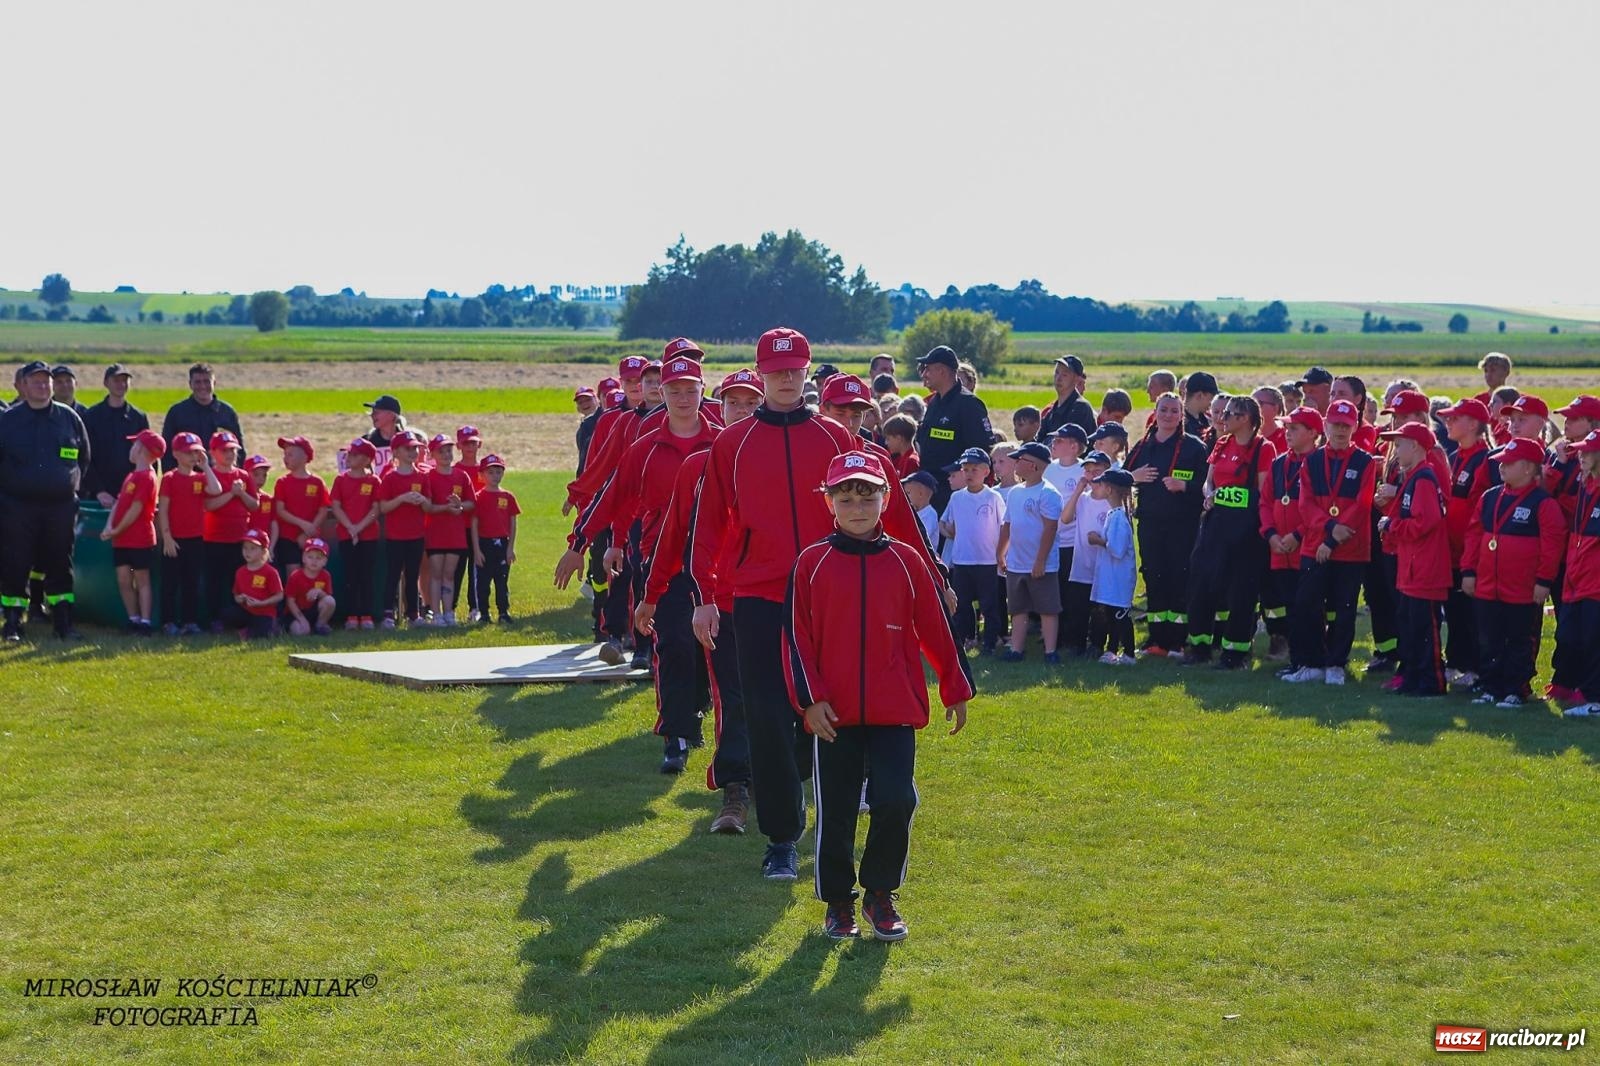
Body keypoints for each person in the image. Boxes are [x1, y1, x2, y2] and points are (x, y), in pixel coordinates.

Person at [688, 327, 946, 882]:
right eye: (775, 370)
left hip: (828, 589)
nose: (785, 378)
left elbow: (887, 507)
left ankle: (852, 789)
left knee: (832, 705)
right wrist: (705, 596)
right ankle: (782, 836)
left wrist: (927, 568)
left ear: (807, 371)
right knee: (766, 715)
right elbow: (709, 525)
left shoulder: (836, 438)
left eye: (794, 368)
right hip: (755, 595)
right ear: (760, 375)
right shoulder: (730, 446)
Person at [783, 451, 972, 942]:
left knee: (895, 799)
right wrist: (811, 701)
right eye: (845, 497)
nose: (857, 506)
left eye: (867, 496)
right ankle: (839, 903)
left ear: (886, 500)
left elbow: (934, 628)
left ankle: (880, 895)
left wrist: (954, 686)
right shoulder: (811, 563)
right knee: (838, 810)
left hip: (894, 709)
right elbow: (796, 638)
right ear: (829, 503)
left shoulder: (907, 561)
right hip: (834, 714)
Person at [561, 355, 719, 767]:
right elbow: (612, 495)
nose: (683, 398)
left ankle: (697, 710)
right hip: (659, 560)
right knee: (674, 644)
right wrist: (578, 544)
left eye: (691, 390)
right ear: (661, 393)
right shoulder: (645, 447)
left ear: (704, 392)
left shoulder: (724, 444)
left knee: (709, 646)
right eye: (674, 391)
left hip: (714, 561)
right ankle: (676, 737)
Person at [633, 370, 763, 835]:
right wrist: (651, 595)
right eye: (735, 403)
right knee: (731, 695)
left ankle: (785, 783)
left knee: (783, 695)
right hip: (721, 602)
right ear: (720, 408)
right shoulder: (698, 467)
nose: (743, 412)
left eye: (752, 403)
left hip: (777, 600)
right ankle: (735, 789)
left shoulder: (777, 463)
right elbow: (674, 539)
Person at [1461, 437, 1566, 708]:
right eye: (1502, 462)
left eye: (1509, 463)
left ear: (1530, 469)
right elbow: (1474, 536)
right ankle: (1491, 685)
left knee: (1519, 640)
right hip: (1487, 585)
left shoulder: (1543, 503)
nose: (1502, 467)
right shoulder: (1490, 497)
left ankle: (1516, 688)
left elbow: (1552, 547)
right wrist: (1469, 571)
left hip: (1521, 588)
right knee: (1489, 640)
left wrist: (1544, 581)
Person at [1282, 400, 1377, 686]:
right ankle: (1311, 663)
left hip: (1350, 549)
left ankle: (1336, 663)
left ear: (1355, 427)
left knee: (1344, 608)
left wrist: (1333, 538)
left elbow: (1362, 504)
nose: (1340, 430)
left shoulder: (1365, 461)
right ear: (1325, 426)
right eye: (1335, 424)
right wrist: (1330, 528)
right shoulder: (1311, 461)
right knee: (1307, 604)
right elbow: (1306, 504)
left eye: (1346, 425)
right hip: (1316, 546)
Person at [1180, 395, 1274, 669]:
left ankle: (1236, 653)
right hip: (1215, 524)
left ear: (1245, 419)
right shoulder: (1221, 443)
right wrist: (1209, 495)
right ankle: (1199, 648)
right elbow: (1209, 482)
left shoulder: (1262, 449)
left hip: (1246, 530)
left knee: (1241, 591)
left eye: (1230, 414)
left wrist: (1226, 494)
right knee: (1201, 584)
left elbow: (1262, 493)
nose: (1223, 418)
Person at [0, 361, 91, 641]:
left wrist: (65, 487)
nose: (42, 385)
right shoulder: (8, 420)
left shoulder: (69, 418)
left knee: (60, 563)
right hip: (18, 506)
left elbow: (83, 459)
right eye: (36, 381)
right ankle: (13, 623)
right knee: (16, 563)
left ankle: (63, 622)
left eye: (46, 381)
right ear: (23, 386)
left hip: (60, 507)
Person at [1125, 393, 1208, 656]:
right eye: (1164, 410)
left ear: (1181, 415)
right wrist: (1132, 476)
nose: (1168, 415)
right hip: (1150, 525)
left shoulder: (1194, 447)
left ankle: (1179, 640)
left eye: (1174, 411)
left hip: (1182, 526)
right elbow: (1118, 480)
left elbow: (1209, 488)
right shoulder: (1143, 446)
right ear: (1156, 411)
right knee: (1153, 577)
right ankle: (1157, 639)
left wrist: (1185, 485)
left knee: (1179, 577)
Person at [1377, 422, 1451, 696]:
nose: (1395, 452)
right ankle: (1413, 679)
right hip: (1412, 568)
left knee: (1424, 629)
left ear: (1416, 446)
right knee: (1409, 625)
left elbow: (1425, 523)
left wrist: (1390, 526)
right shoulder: (1414, 477)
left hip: (1424, 568)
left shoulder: (1423, 478)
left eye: (1400, 445)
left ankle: (1432, 682)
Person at [1437, 398, 1493, 688]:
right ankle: (1457, 661)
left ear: (1473, 424)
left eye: (1454, 418)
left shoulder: (1485, 460)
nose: (1448, 422)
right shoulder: (1456, 455)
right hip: (1453, 551)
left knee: (1473, 614)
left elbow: (1480, 514)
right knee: (1455, 611)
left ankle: (1475, 668)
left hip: (1472, 552)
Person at [1260, 407, 1322, 665]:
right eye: (1286, 428)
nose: (1287, 433)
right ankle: (1297, 662)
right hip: (1279, 550)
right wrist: (1271, 534)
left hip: (1306, 549)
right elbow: (1265, 503)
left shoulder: (1321, 463)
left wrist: (1297, 535)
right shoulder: (1279, 463)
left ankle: (1312, 660)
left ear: (1312, 433)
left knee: (1308, 608)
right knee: (1290, 608)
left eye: (1294, 428)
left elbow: (1320, 507)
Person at [997, 441, 1063, 663]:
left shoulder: (1048, 493)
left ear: (1033, 465)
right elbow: (1008, 524)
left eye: (1020, 459)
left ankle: (1050, 651)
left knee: (1047, 608)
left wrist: (1040, 561)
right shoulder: (1015, 492)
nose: (1015, 463)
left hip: (1040, 564)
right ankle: (1016, 649)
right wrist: (1001, 552)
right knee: (1018, 609)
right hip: (1016, 563)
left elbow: (1050, 527)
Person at [99, 428, 165, 634]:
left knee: (141, 579)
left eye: (134, 445)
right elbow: (119, 503)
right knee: (124, 578)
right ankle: (133, 618)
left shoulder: (147, 477)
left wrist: (117, 528)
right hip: (121, 539)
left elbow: (136, 509)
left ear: (142, 450)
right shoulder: (132, 475)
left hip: (139, 538)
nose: (131, 448)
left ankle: (145, 621)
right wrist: (110, 526)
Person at [940, 448, 1005, 655]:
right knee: (963, 604)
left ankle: (990, 642)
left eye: (974, 469)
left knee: (989, 604)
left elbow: (1004, 526)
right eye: (965, 469)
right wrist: (950, 532)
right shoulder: (957, 498)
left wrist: (1001, 554)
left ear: (986, 471)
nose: (968, 473)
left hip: (987, 561)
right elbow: (944, 522)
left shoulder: (993, 497)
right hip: (962, 560)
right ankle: (965, 640)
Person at [913, 345, 992, 514]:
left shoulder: (969, 404)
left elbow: (980, 450)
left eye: (928, 369)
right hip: (931, 488)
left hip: (953, 492)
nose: (924, 374)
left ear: (941, 370)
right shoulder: (935, 402)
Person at [1557, 431, 1600, 717]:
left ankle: (1595, 699)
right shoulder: (1586, 485)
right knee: (1573, 636)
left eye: (1587, 452)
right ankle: (1583, 691)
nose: (1581, 456)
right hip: (1578, 577)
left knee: (1594, 641)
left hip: (1595, 581)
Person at [156, 432, 214, 635]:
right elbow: (163, 509)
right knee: (171, 582)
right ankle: (168, 621)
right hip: (174, 538)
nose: (192, 456)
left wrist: (206, 466)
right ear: (176, 454)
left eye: (196, 452)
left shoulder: (200, 478)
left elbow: (216, 489)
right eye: (188, 452)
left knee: (192, 581)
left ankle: (190, 621)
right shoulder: (170, 478)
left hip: (196, 538)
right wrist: (167, 537)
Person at [201, 431, 258, 631]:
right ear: (213, 452)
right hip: (214, 537)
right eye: (225, 450)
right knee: (215, 582)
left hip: (239, 538)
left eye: (233, 450)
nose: (230, 454)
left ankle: (237, 619)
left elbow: (254, 505)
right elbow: (208, 505)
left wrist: (241, 493)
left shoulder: (243, 476)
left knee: (238, 581)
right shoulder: (209, 476)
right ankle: (214, 619)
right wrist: (230, 494)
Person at [1060, 450, 1112, 657]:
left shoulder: (1113, 500)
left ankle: (1097, 644)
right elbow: (1065, 519)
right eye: (1088, 471)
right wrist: (1078, 489)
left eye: (1097, 471)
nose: (1092, 476)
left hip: (1103, 564)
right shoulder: (1082, 499)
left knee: (1100, 609)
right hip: (1082, 564)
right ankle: (1076, 644)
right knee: (1078, 607)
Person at [1042, 424, 1089, 654]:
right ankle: (1054, 638)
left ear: (1073, 446)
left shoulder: (1083, 470)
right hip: (1052, 541)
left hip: (1075, 542)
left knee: (1075, 593)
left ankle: (1076, 639)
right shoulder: (1049, 469)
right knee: (1055, 590)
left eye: (1059, 441)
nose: (1054, 444)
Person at [422, 434, 476, 626]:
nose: (446, 454)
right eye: (441, 451)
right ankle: (436, 613)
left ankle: (449, 612)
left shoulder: (461, 476)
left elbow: (471, 503)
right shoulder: (429, 477)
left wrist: (460, 506)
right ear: (432, 454)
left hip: (455, 533)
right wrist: (445, 508)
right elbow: (426, 506)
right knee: (436, 573)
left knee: (449, 574)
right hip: (435, 532)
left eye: (448, 450)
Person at [330, 437, 383, 630]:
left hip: (368, 536)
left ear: (367, 459)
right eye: (349, 454)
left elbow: (376, 508)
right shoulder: (341, 480)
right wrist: (350, 527)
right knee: (350, 576)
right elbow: (336, 506)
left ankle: (367, 614)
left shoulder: (373, 480)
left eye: (355, 454)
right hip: (346, 535)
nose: (350, 457)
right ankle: (352, 614)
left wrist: (359, 527)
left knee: (366, 576)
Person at [378, 430, 429, 628]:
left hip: (416, 534)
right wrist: (402, 499)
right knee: (392, 574)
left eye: (415, 447)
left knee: (412, 574)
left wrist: (422, 500)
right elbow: (383, 507)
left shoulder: (422, 477)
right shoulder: (390, 478)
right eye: (407, 448)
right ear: (396, 452)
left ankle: (413, 614)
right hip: (395, 535)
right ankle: (388, 614)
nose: (412, 451)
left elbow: (429, 506)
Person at [80, 363, 150, 505]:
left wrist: (141, 488)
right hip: (99, 495)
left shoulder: (138, 417)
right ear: (106, 383)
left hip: (132, 492)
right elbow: (85, 457)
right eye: (116, 380)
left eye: (125, 380)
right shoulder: (91, 416)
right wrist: (99, 491)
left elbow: (148, 455)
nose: (121, 384)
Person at [1087, 468, 1138, 664]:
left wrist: (1097, 540)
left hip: (1119, 578)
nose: (1096, 488)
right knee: (1111, 614)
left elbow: (1117, 549)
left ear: (1109, 489)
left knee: (1120, 616)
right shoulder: (1113, 514)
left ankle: (1129, 653)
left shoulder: (1119, 518)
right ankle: (1112, 649)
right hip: (1111, 578)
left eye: (1100, 484)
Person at [160, 363, 244, 471]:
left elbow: (239, 449)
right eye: (198, 382)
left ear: (214, 383)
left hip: (221, 477)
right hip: (188, 476)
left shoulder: (227, 412)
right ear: (190, 384)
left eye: (206, 381)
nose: (203, 386)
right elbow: (167, 452)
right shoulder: (177, 412)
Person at [472, 454, 519, 625]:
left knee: (502, 581)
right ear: (482, 475)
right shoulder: (478, 497)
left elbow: (513, 523)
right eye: (490, 472)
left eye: (498, 472)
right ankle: (484, 613)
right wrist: (476, 550)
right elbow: (475, 525)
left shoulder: (508, 497)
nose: (494, 476)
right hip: (484, 543)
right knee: (483, 582)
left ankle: (503, 612)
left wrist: (510, 548)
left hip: (502, 543)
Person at [272, 435, 329, 575]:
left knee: (312, 573)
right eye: (285, 455)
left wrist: (310, 529)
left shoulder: (317, 482)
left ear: (305, 457)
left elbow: (323, 510)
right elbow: (280, 510)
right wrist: (303, 524)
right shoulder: (282, 482)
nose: (286, 458)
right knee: (293, 573)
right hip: (288, 536)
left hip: (310, 538)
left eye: (290, 454)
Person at [222, 529, 283, 639]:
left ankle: (271, 627)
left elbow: (279, 595)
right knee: (228, 614)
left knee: (262, 635)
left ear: (264, 552)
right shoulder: (240, 571)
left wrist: (262, 603)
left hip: (264, 612)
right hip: (246, 610)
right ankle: (244, 629)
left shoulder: (270, 572)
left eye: (253, 548)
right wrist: (240, 599)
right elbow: (236, 595)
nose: (247, 552)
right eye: (245, 548)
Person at [284, 538, 337, 636]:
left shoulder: (325, 575)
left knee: (330, 601)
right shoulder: (295, 576)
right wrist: (301, 619)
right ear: (303, 558)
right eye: (310, 557)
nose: (314, 561)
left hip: (313, 610)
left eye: (318, 558)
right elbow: (290, 601)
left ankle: (320, 625)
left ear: (325, 561)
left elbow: (327, 597)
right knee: (301, 631)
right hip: (296, 613)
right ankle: (300, 626)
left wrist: (319, 592)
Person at [1037, 356, 1096, 442]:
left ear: (1077, 379)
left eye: (1064, 375)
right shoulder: (1052, 412)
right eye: (1057, 373)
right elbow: (1039, 441)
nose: (1058, 378)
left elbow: (1068, 446)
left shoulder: (1080, 408)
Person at [360, 394, 406, 473]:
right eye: (372, 412)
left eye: (376, 412)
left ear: (391, 415)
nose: (372, 415)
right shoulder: (366, 441)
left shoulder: (407, 441)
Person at [902, 471, 939, 547]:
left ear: (921, 494)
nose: (905, 497)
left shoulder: (930, 515)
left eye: (908, 493)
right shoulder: (912, 513)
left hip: (924, 558)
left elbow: (919, 538)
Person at [882, 414, 920, 479]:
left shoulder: (911, 462)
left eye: (888, 439)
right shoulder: (899, 459)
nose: (886, 443)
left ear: (899, 438)